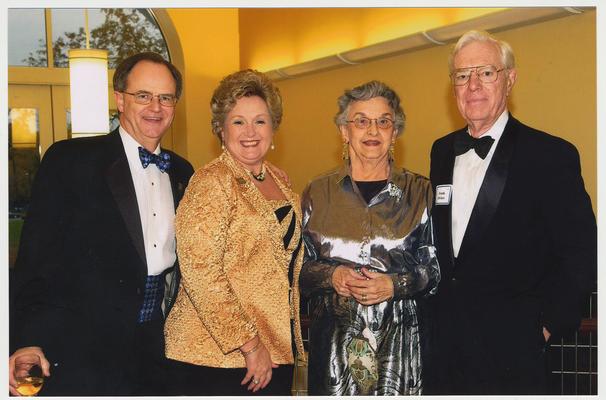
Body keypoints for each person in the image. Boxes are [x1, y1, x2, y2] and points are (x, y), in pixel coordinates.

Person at [8, 52, 194, 395]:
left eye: (165, 97)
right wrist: (26, 340)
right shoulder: (69, 161)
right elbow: (35, 260)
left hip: (159, 351)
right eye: (143, 95)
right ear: (119, 99)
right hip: (82, 352)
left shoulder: (184, 172)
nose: (156, 107)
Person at [427, 30, 597, 395]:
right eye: (462, 75)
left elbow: (581, 251)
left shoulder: (550, 155)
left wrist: (547, 326)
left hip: (514, 352)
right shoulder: (441, 151)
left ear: (510, 80)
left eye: (486, 72)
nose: (472, 85)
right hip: (445, 351)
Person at [163, 69, 305, 396]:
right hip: (218, 359)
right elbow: (200, 272)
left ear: (274, 127)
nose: (250, 132)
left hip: (273, 351)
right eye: (238, 121)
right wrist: (250, 345)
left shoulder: (280, 181)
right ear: (221, 130)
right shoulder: (210, 183)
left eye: (260, 121)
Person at [300, 80, 440, 395]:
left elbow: (435, 271)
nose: (372, 131)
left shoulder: (421, 192)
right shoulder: (317, 192)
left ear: (395, 132)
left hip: (400, 349)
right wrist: (331, 275)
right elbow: (296, 269)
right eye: (361, 121)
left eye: (383, 121)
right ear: (344, 131)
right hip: (334, 350)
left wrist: (395, 285)